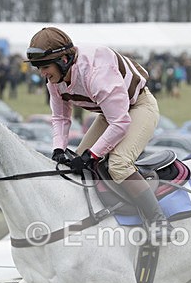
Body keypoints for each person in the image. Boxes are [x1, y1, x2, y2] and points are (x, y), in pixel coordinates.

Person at [25, 26, 171, 241]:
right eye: (39, 68)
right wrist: (58, 148)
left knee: (119, 165)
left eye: (45, 67)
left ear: (64, 59)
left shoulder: (96, 74)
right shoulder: (55, 82)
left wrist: (92, 155)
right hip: (108, 114)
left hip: (139, 107)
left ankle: (159, 220)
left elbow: (120, 123)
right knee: (74, 166)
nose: (43, 74)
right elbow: (61, 119)